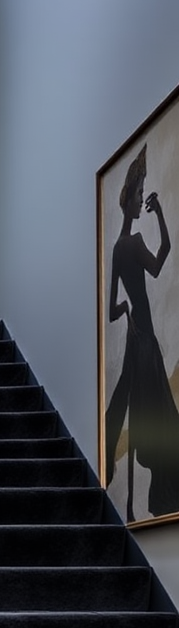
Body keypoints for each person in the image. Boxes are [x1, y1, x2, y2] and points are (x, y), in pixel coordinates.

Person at [103, 143, 179, 521]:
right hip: (146, 342)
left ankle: (132, 508)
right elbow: (162, 256)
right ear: (130, 199)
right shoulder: (133, 244)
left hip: (137, 342)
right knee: (165, 420)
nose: (140, 201)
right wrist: (162, 213)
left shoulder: (116, 248)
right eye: (139, 194)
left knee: (142, 418)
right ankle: (158, 501)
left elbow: (112, 308)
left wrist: (127, 312)